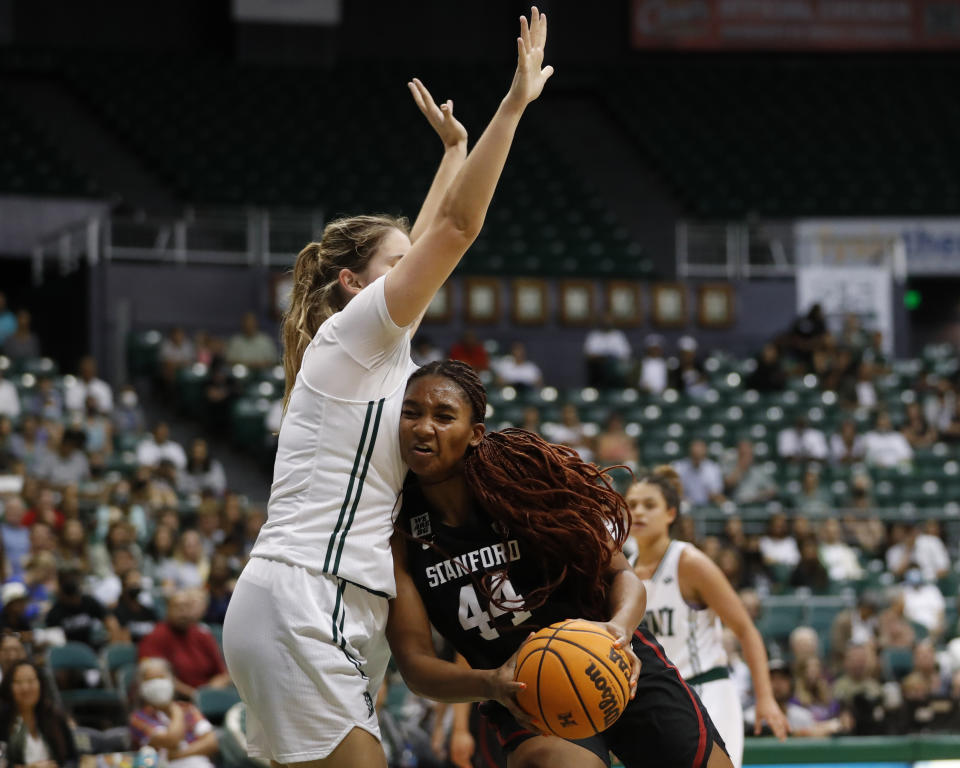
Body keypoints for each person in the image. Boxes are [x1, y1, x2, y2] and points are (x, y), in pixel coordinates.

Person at [223, 11, 555, 767]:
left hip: (334, 607)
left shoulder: (377, 353)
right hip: (305, 598)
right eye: (394, 263)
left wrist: (455, 149)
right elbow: (459, 228)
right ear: (352, 284)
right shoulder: (350, 338)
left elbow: (437, 226)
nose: (412, 274)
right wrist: (510, 109)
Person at [387, 360, 731, 768]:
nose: (424, 427)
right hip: (522, 692)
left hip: (614, 659)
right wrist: (491, 684)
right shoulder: (400, 531)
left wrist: (618, 630)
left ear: (475, 434)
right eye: (411, 413)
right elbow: (415, 665)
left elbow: (622, 574)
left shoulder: (522, 486)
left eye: (443, 416)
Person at [626, 467, 789, 768]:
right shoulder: (625, 571)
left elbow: (746, 630)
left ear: (671, 513)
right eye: (632, 504)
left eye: (650, 505)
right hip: (657, 697)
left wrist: (765, 697)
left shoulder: (689, 563)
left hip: (706, 691)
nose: (639, 512)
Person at [130, 657, 219, 768]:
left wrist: (177, 755)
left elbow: (212, 742)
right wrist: (175, 710)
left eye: (161, 677)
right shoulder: (138, 718)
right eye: (150, 680)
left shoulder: (188, 708)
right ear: (141, 687)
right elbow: (172, 739)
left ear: (172, 680)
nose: (157, 684)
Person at [140, 590, 231, 699]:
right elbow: (156, 677)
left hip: (210, 696)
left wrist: (213, 688)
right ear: (168, 609)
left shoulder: (202, 635)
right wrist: (194, 694)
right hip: (175, 698)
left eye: (187, 607)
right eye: (178, 607)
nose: (183, 612)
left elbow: (223, 673)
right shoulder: (155, 636)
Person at [0, 660, 78, 768]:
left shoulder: (54, 716)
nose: (25, 688)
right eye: (18, 682)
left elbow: (73, 759)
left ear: (40, 683)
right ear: (9, 687)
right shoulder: (3, 720)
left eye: (31, 681)